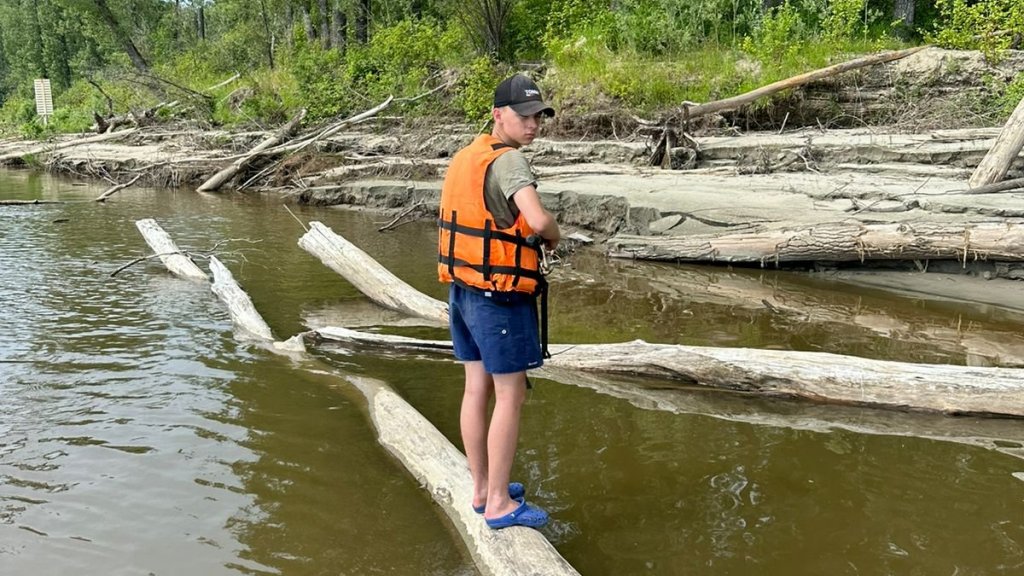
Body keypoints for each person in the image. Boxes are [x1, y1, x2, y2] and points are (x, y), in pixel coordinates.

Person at [437, 74, 560, 530]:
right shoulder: (508, 163)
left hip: (463, 291)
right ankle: (499, 507)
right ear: (498, 114)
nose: (533, 125)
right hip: (499, 296)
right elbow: (538, 218)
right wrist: (554, 235)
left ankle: (482, 489)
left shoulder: (467, 156)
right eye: (524, 116)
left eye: (538, 116)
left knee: (476, 388)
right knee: (509, 395)